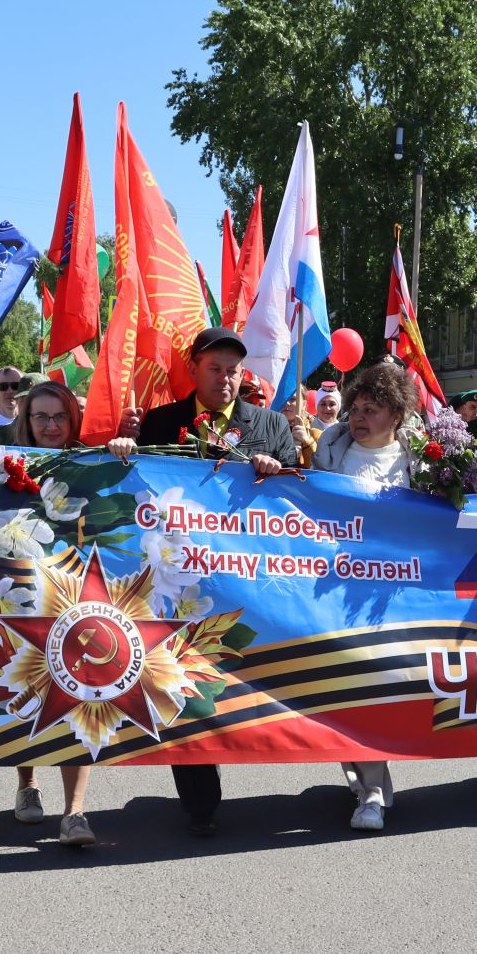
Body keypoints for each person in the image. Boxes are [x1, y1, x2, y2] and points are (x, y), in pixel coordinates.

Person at [106, 326, 295, 836]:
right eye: (215, 368)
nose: (226, 378)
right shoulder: (163, 423)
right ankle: (200, 804)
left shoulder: (271, 426)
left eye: (234, 369)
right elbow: (131, 487)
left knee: (250, 678)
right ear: (193, 369)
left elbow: (302, 497)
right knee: (183, 684)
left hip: (248, 583)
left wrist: (280, 470)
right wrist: (123, 444)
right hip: (180, 581)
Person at [0, 380, 101, 847]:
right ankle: (27, 785)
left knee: (80, 694)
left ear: (73, 419)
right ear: (25, 421)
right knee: (28, 686)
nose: (51, 425)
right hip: (22, 590)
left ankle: (75, 812)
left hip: (77, 591)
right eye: (41, 417)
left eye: (60, 417)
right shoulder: (1, 465)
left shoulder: (93, 462)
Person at [310, 359, 418, 831]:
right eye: (355, 407)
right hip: (339, 593)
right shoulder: (327, 454)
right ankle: (370, 790)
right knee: (351, 690)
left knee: (381, 694)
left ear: (396, 414)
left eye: (371, 409)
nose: (358, 416)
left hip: (400, 596)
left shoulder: (426, 461)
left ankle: (367, 780)